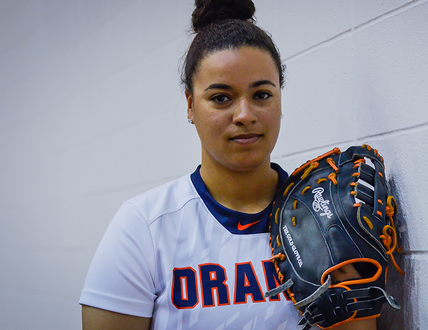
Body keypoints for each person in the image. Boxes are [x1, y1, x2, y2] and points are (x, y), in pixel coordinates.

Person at [79, 0, 377, 329]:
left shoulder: (329, 219)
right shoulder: (144, 227)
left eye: (262, 94)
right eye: (221, 98)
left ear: (280, 99)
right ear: (191, 106)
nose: (245, 115)